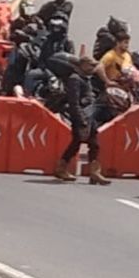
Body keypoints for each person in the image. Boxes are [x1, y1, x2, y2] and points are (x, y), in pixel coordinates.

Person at [53, 55, 110, 185]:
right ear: (83, 65)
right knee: (76, 143)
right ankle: (62, 168)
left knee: (94, 144)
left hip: (90, 115)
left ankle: (94, 173)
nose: (93, 68)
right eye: (91, 65)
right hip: (81, 117)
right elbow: (74, 102)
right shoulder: (75, 79)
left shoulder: (87, 79)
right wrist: (81, 120)